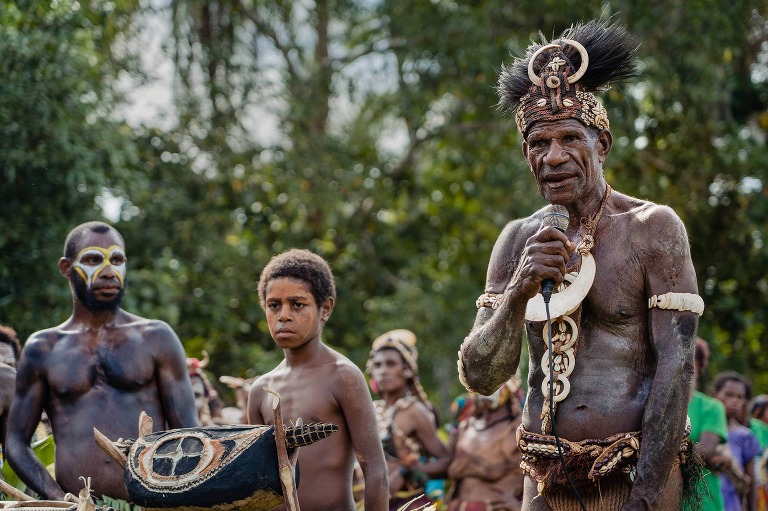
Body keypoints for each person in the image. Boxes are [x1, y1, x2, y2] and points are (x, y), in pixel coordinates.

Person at [457, 20, 704, 510]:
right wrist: (517, 293)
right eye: (537, 144)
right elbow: (480, 377)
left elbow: (676, 367)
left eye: (570, 138)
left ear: (602, 147)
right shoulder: (516, 241)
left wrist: (646, 497)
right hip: (545, 475)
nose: (553, 157)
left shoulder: (652, 227)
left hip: (634, 469)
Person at [5, 221, 199, 504]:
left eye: (117, 260)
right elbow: (16, 441)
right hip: (74, 506)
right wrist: (59, 499)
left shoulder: (156, 338)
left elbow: (191, 435)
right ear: (66, 268)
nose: (108, 271)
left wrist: (169, 497)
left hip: (150, 506)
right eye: (93, 259)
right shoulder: (43, 348)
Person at [246, 249, 388, 511]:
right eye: (274, 305)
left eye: (297, 304)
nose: (284, 315)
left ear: (325, 309)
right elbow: (256, 480)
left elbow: (376, 472)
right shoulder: (260, 390)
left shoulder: (343, 376)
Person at [367, 329, 450, 510]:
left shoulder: (414, 411)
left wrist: (407, 471)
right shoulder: (372, 409)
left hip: (410, 503)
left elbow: (446, 461)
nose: (383, 371)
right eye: (378, 365)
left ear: (406, 370)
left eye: (391, 364)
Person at [446, 376, 524, 511]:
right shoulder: (465, 427)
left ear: (511, 383)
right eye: (480, 377)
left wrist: (522, 507)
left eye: (494, 378)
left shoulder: (518, 429)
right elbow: (443, 464)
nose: (486, 387)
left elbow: (538, 477)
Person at [688, 337, 730, 511]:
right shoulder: (651, 406)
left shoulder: (711, 407)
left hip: (703, 501)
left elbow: (705, 450)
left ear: (697, 365)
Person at [713, 371, 762, 511]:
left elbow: (751, 484)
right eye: (729, 395)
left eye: (740, 397)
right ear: (714, 395)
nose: (735, 401)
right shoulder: (704, 431)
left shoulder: (745, 436)